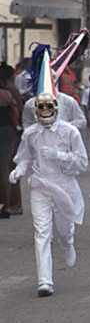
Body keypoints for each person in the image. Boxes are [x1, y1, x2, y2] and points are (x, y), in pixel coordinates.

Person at [10, 68, 87, 296]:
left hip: (63, 185)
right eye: (40, 107)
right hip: (40, 187)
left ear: (56, 107)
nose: (45, 110)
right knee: (42, 232)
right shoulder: (30, 134)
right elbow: (24, 157)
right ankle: (45, 281)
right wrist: (18, 170)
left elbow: (82, 163)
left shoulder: (70, 132)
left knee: (63, 230)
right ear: (35, 109)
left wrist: (60, 156)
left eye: (49, 106)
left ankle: (68, 241)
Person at [0, 71, 19, 218]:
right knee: (4, 168)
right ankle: (6, 205)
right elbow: (15, 112)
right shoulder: (7, 95)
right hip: (6, 130)